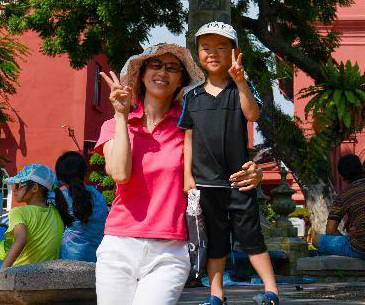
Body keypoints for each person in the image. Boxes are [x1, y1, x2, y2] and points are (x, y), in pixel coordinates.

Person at [94, 43, 263, 305]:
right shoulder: (114, 124)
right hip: (119, 244)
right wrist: (120, 115)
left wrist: (254, 172)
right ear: (141, 74)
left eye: (172, 68)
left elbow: (224, 161)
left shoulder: (189, 127)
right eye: (156, 65)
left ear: (181, 81)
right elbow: (120, 174)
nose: (163, 72)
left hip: (170, 250)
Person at [180, 22, 278, 305]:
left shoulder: (240, 89)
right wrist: (187, 175)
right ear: (198, 53)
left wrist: (241, 81)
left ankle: (271, 290)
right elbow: (188, 137)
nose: (213, 53)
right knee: (216, 240)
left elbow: (253, 115)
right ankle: (216, 294)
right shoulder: (192, 96)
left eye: (221, 47)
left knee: (251, 236)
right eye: (206, 48)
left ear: (235, 52)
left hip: (239, 180)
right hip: (205, 183)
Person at [0, 163, 72, 297]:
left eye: (18, 185)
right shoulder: (57, 213)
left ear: (34, 188)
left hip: (20, 278)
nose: (15, 189)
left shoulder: (19, 212)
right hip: (45, 281)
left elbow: (21, 239)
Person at [313, 154, 365, 260]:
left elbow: (330, 230)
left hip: (364, 249)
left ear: (342, 176)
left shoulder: (344, 194)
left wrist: (346, 241)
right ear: (362, 168)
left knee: (316, 239)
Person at [56, 151, 109, 262]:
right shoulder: (98, 196)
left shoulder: (61, 197)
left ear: (61, 180)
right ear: (85, 172)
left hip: (68, 257)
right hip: (96, 258)